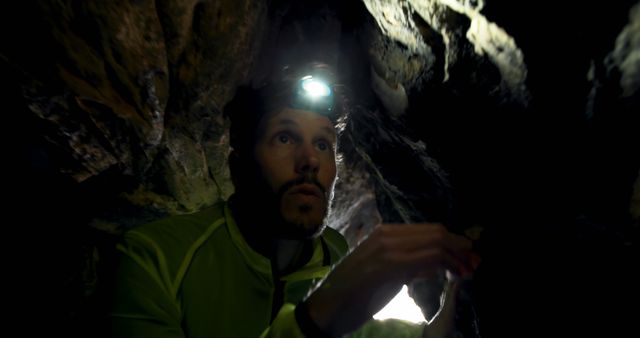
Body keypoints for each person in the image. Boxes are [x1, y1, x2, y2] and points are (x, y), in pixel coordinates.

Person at [109, 62, 479, 338]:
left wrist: (456, 305)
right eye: (285, 139)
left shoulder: (333, 256)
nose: (310, 161)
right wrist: (313, 320)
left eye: (323, 144)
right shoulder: (153, 258)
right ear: (239, 165)